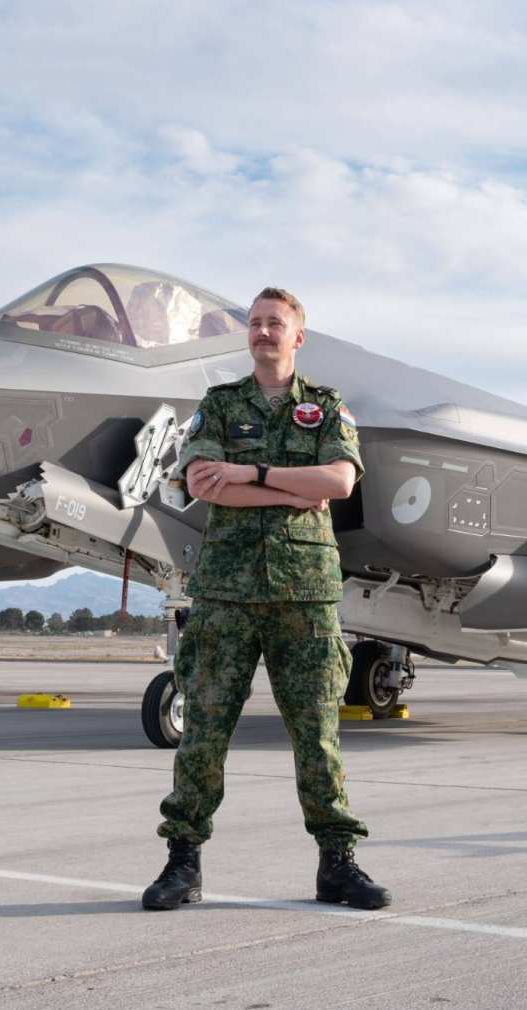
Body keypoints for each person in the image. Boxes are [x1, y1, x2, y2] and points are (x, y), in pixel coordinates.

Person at [142, 287, 391, 911]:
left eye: (274, 323)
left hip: (304, 593)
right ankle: (183, 863)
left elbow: (338, 480)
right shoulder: (219, 406)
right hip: (226, 592)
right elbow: (204, 486)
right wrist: (292, 489)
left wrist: (252, 475)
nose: (262, 332)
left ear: (296, 336)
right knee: (204, 731)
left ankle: (337, 863)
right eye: (254, 323)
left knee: (318, 735)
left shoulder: (327, 406)